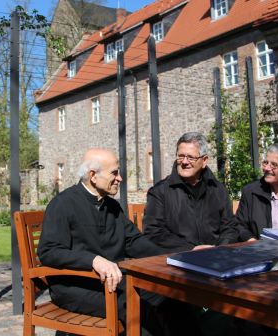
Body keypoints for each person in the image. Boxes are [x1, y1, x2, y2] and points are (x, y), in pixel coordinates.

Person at [37, 148, 195, 335]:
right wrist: (93, 260)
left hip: (114, 281)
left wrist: (168, 259)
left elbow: (133, 241)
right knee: (139, 308)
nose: (120, 178)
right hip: (76, 286)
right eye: (114, 173)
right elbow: (48, 251)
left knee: (172, 296)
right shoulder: (62, 204)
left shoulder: (112, 205)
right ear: (93, 176)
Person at [144, 132, 239, 252]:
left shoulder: (218, 190)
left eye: (190, 157)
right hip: (177, 261)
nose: (184, 162)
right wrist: (191, 249)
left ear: (204, 161)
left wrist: (220, 249)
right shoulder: (159, 192)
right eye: (181, 156)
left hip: (217, 258)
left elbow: (230, 228)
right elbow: (153, 233)